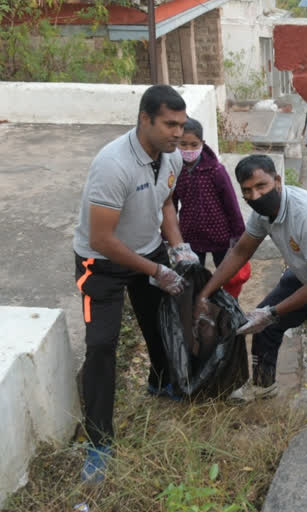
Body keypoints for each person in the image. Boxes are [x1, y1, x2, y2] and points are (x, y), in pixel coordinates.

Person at [194, 155, 307, 457]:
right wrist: (205, 293)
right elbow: (241, 250)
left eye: (262, 186)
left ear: (278, 181)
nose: (256, 196)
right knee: (265, 327)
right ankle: (264, 384)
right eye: (248, 191)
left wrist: (271, 313)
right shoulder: (262, 213)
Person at [73, 85, 198, 483]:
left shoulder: (171, 156)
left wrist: (176, 247)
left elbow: (165, 202)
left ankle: (161, 383)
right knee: (101, 346)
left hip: (149, 251)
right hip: (103, 263)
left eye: (181, 124)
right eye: (169, 124)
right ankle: (98, 441)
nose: (178, 133)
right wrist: (154, 270)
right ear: (145, 119)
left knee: (163, 323)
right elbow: (101, 239)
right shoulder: (113, 165)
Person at [173, 118, 245, 267]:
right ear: (177, 143)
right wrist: (168, 235)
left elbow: (231, 202)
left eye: (194, 145)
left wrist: (238, 233)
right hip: (190, 235)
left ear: (202, 144)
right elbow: (170, 204)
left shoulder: (216, 170)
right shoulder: (175, 170)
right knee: (194, 275)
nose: (188, 150)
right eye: (183, 144)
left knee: (225, 273)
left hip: (219, 234)